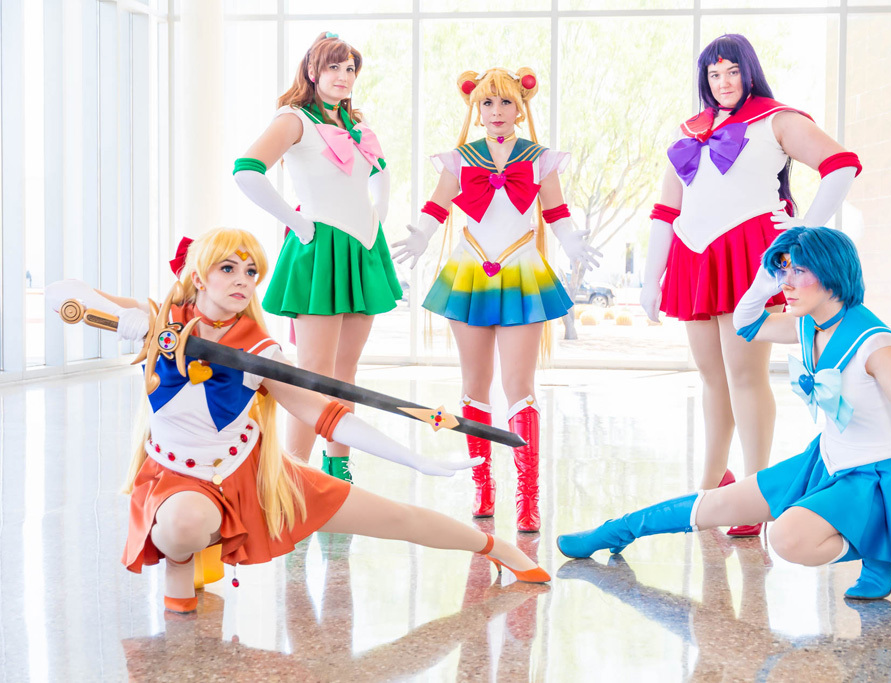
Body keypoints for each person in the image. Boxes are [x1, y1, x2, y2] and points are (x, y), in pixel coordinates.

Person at [46, 228, 550, 615]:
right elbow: (61, 294)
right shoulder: (160, 319)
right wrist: (125, 318)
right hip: (177, 477)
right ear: (199, 276)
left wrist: (412, 458)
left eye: (251, 272)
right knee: (182, 525)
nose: (242, 280)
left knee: (396, 518)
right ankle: (186, 561)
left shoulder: (261, 351)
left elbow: (326, 416)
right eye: (228, 268)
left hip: (248, 473)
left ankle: (498, 548)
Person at [558, 227, 891, 600]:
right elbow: (745, 323)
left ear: (832, 272)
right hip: (825, 460)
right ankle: (613, 532)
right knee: (717, 504)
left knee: (786, 538)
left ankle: (885, 552)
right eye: (786, 271)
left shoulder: (876, 343)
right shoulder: (808, 324)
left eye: (800, 271)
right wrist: (767, 276)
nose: (788, 283)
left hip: (877, 477)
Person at [640, 34, 862, 537]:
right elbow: (665, 210)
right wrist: (651, 278)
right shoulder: (688, 131)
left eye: (733, 71)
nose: (724, 82)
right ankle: (710, 483)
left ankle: (754, 492)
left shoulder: (776, 119)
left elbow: (841, 164)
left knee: (745, 375)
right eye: (714, 73)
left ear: (749, 72)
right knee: (711, 376)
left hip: (748, 254)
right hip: (694, 256)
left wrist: (806, 228)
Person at [391, 67, 599, 532]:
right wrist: (421, 235)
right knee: (474, 385)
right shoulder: (459, 159)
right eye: (488, 102)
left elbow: (557, 212)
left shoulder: (540, 159)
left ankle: (528, 498)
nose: (497, 111)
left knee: (520, 387)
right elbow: (436, 207)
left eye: (506, 102)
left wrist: (572, 243)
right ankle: (482, 486)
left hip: (522, 271)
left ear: (521, 108)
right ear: (475, 107)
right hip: (470, 272)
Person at [233, 32, 402, 483]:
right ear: (312, 71)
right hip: (321, 248)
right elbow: (246, 170)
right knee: (315, 373)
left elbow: (380, 172)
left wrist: (380, 211)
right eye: (333, 67)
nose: (343, 76)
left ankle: (338, 468)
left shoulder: (356, 125)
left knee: (345, 372)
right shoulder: (294, 119)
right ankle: (293, 476)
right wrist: (297, 221)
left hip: (363, 248)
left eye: (350, 69)